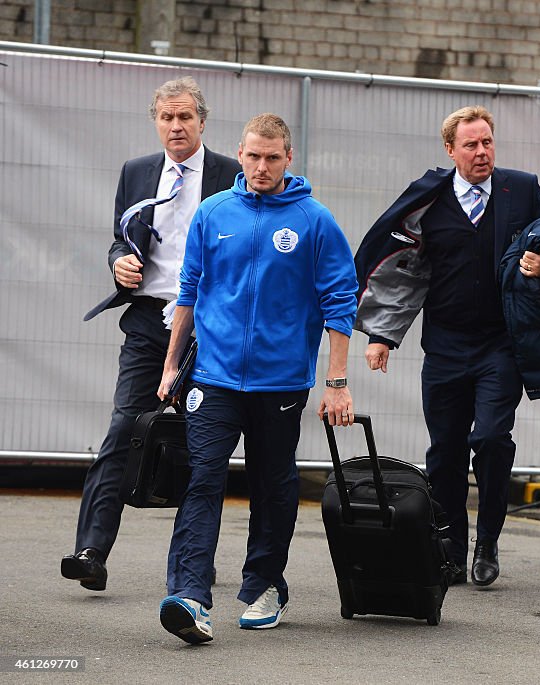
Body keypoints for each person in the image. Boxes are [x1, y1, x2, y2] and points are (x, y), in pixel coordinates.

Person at [155, 113, 358, 644]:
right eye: (252, 156)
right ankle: (190, 597)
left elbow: (340, 300)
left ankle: (265, 582)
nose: (261, 166)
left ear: (288, 158)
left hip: (281, 382)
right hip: (213, 377)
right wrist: (172, 364)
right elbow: (189, 291)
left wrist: (336, 380)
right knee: (203, 477)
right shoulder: (213, 211)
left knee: (273, 484)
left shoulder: (315, 221)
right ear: (239, 155)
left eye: (271, 157)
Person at [354, 105, 540, 587]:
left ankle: (488, 541)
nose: (481, 152)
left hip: (500, 345)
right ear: (449, 150)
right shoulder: (430, 202)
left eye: (487, 143)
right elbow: (406, 275)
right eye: (470, 145)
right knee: (445, 451)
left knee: (490, 439)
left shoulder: (521, 189)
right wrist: (382, 336)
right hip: (444, 346)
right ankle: (451, 550)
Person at [62, 77, 241, 592]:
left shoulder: (230, 175)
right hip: (147, 321)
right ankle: (91, 549)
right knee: (123, 428)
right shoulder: (136, 172)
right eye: (167, 117)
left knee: (200, 442)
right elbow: (121, 237)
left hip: (209, 325)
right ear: (156, 121)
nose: (176, 126)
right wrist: (120, 263)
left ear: (202, 122)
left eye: (185, 118)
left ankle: (193, 561)